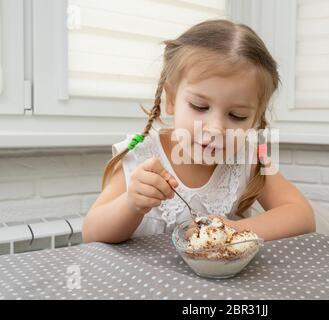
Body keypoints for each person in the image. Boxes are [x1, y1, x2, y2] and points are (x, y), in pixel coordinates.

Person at [82, 20, 315, 244]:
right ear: (171, 99)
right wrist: (131, 203)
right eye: (200, 107)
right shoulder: (141, 155)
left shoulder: (247, 159)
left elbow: (302, 215)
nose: (215, 129)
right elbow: (91, 233)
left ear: (255, 120)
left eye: (237, 116)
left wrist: (232, 229)